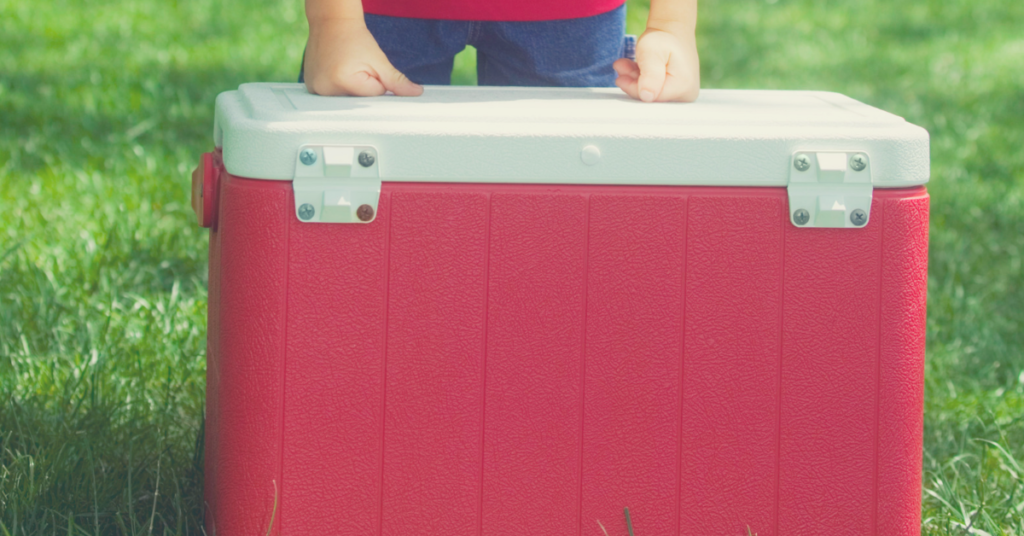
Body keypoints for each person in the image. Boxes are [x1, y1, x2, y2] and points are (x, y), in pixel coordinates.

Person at [300, 0, 700, 102]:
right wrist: (335, 20)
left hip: (568, 20)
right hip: (381, 17)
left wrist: (673, 24)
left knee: (564, 210)